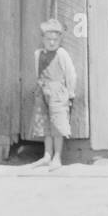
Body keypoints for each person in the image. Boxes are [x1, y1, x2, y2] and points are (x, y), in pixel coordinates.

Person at [29, 19, 78, 168]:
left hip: (58, 93)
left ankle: (57, 157)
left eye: (55, 40)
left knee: (57, 125)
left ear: (60, 40)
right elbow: (37, 73)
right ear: (43, 39)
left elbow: (71, 75)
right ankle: (47, 155)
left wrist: (70, 93)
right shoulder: (38, 54)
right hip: (43, 91)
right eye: (48, 39)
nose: (51, 43)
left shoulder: (61, 54)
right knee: (45, 125)